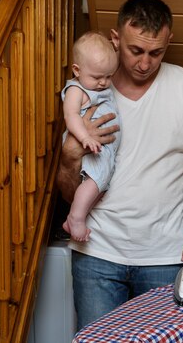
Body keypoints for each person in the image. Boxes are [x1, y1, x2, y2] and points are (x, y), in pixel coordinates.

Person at [56, 0, 183, 329]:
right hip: (97, 256)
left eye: (156, 53)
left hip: (169, 258)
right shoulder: (88, 93)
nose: (145, 63)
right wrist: (68, 158)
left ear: (169, 43)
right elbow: (67, 193)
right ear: (115, 39)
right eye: (135, 51)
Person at [61, 31, 120, 242]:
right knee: (94, 182)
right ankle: (76, 218)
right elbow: (71, 115)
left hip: (104, 149)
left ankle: (78, 215)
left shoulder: (95, 82)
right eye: (97, 77)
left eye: (109, 76)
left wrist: (116, 46)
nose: (104, 83)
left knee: (100, 188)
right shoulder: (76, 90)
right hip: (90, 146)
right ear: (77, 70)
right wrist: (85, 137)